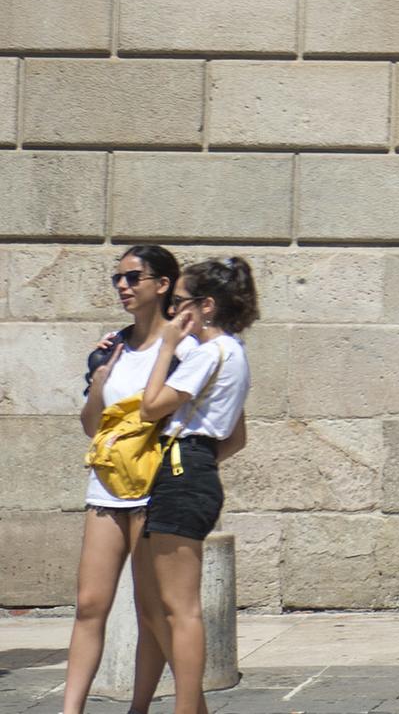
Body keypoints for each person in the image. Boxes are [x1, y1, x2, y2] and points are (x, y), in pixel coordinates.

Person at [63, 246, 180, 714]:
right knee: (90, 604)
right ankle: (70, 709)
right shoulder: (112, 347)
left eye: (133, 277)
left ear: (163, 284)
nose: (123, 287)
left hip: (155, 488)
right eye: (118, 279)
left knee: (153, 612)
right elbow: (93, 426)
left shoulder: (180, 347)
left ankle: (143, 708)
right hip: (107, 487)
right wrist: (98, 382)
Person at [136, 257, 256, 714]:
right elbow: (237, 437)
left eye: (180, 303)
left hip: (182, 472)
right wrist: (197, 461)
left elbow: (151, 407)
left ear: (206, 306)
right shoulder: (235, 351)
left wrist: (167, 344)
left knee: (179, 609)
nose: (173, 312)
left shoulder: (207, 353)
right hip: (194, 468)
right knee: (158, 605)